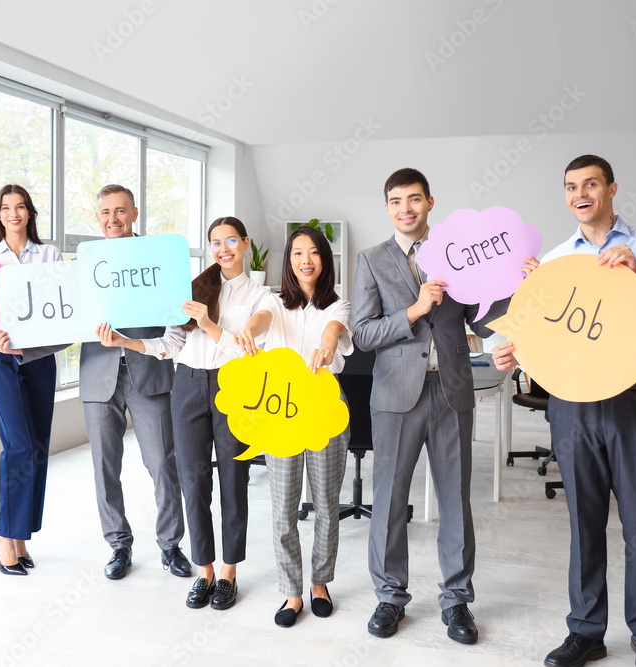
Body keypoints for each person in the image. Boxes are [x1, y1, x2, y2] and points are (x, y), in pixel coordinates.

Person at [493, 155, 636, 667]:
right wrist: (511, 349)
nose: (581, 193)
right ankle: (586, 631)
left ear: (611, 189)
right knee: (584, 519)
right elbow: (535, 338)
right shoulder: (555, 261)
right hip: (572, 404)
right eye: (571, 186)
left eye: (591, 184)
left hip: (634, 399)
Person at [352, 168, 513, 642]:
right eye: (397, 200)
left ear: (430, 202)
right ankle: (388, 597)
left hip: (451, 391)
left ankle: (457, 601)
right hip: (395, 397)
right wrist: (414, 311)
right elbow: (363, 334)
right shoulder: (371, 260)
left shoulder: (458, 254)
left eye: (415, 199)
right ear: (387, 208)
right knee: (388, 498)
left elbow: (484, 321)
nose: (406, 208)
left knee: (455, 501)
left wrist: (515, 285)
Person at [6, 184, 190, 581]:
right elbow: (66, 322)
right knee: (104, 468)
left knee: (162, 464)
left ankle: (171, 546)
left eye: (120, 211)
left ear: (135, 213)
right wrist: (23, 349)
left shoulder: (157, 260)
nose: (113, 219)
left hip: (150, 376)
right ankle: (119, 545)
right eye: (105, 212)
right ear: (97, 217)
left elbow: (177, 325)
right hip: (97, 378)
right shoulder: (83, 264)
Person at [97, 216, 269, 611]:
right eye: (215, 243)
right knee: (191, 480)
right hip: (187, 386)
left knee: (233, 477)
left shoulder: (261, 297)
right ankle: (205, 570)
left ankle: (229, 573)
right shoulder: (194, 289)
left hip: (233, 386)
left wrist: (208, 322)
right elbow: (170, 344)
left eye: (230, 241)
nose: (223, 249)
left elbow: (245, 351)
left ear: (245, 243)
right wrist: (124, 341)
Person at [236, 225, 352, 628]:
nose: (306, 260)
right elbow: (262, 318)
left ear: (325, 259)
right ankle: (292, 592)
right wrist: (250, 331)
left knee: (325, 505)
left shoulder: (338, 304)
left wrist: (329, 343)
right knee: (283, 510)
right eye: (298, 252)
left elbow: (334, 330)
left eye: (314, 252)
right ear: (288, 260)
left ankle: (320, 583)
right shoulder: (273, 301)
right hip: (280, 416)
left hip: (325, 414)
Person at [0, 184, 61, 576]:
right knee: (18, 446)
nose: (13, 213)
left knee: (38, 448)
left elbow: (62, 307)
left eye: (20, 207)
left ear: (30, 213)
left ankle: (21, 535)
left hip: (39, 359)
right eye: (6, 208)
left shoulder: (49, 254)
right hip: (0, 359)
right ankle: (4, 535)